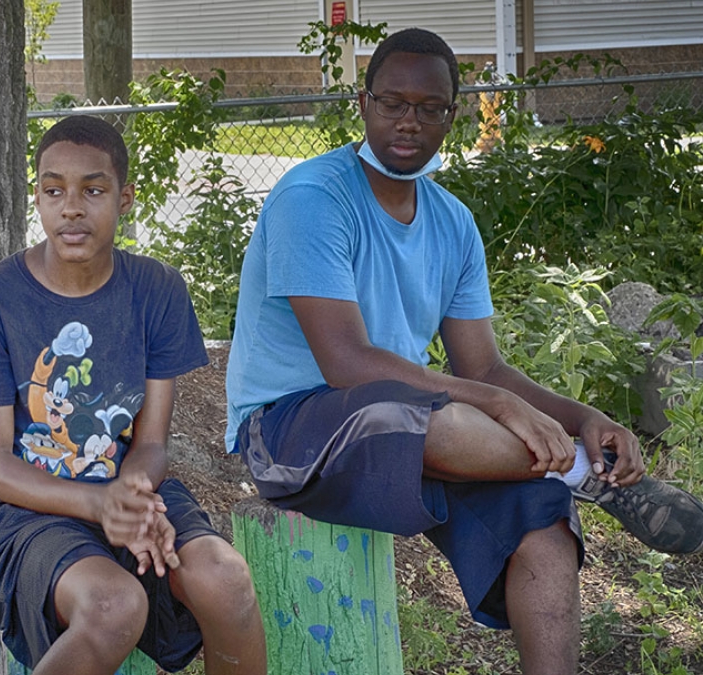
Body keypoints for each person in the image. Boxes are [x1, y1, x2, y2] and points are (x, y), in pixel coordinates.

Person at [225, 28, 703, 675]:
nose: (408, 120)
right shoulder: (314, 198)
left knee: (543, 516)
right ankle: (580, 471)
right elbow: (347, 363)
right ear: (363, 105)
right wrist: (502, 404)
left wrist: (580, 416)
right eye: (393, 102)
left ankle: (567, 486)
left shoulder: (451, 222)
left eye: (428, 107)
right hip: (287, 429)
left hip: (400, 425)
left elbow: (482, 366)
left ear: (452, 115)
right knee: (436, 415)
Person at [0, 115, 267, 675]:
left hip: (121, 488)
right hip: (21, 512)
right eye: (53, 190)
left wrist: (133, 500)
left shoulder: (156, 290)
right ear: (36, 197)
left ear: (125, 197)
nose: (71, 207)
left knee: (224, 581)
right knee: (115, 606)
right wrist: (100, 505)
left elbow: (152, 443)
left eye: (93, 189)